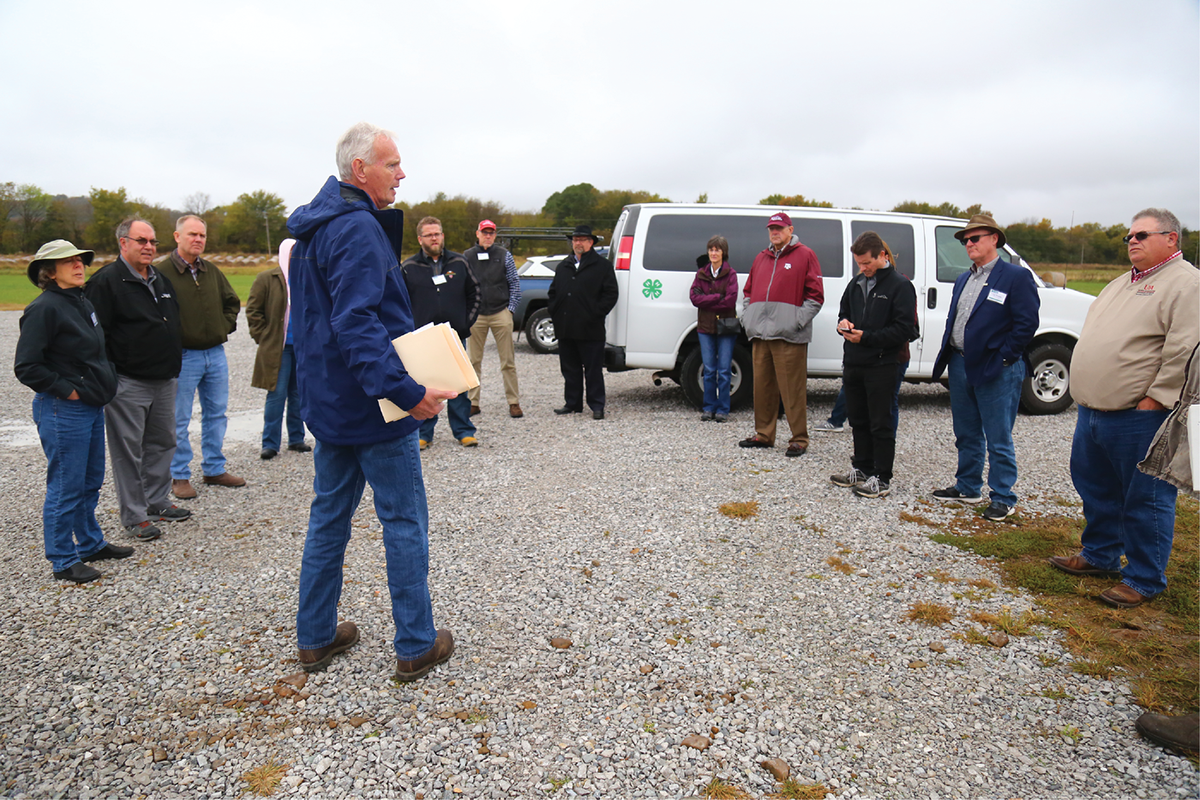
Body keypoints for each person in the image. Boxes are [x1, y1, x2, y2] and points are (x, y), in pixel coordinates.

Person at [287, 122, 456, 680]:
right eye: (392, 163)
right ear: (360, 170)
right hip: (373, 410)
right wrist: (408, 394)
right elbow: (355, 323)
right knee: (403, 519)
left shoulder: (316, 228)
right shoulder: (357, 228)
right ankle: (415, 643)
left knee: (328, 520)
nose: (402, 173)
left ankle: (314, 637)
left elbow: (319, 328)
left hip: (332, 407)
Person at [1049, 208, 1199, 609]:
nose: (1132, 241)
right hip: (1095, 412)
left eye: (1142, 235)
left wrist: (1157, 399)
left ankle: (1145, 578)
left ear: (1171, 239)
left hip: (1142, 415)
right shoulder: (1122, 283)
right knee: (1097, 489)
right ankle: (1100, 555)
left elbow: (1186, 349)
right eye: (1129, 236)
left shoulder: (1186, 283)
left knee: (1145, 499)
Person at [15, 240, 133, 583]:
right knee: (66, 485)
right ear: (49, 272)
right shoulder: (44, 308)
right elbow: (27, 367)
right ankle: (63, 559)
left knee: (90, 481)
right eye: (68, 262)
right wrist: (70, 391)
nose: (79, 265)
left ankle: (91, 543)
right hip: (63, 409)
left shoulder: (81, 301)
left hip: (92, 406)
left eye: (79, 260)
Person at [85, 218, 190, 541]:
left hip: (164, 378)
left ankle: (157, 501)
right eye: (141, 241)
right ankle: (134, 515)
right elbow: (94, 336)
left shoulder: (159, 279)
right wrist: (110, 376)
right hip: (129, 382)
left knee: (162, 443)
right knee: (128, 450)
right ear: (123, 243)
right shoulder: (106, 282)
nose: (149, 247)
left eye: (153, 242)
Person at [930, 213, 1039, 521]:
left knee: (998, 435)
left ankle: (1003, 496)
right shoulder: (964, 278)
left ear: (994, 239)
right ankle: (967, 486)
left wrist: (1006, 356)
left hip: (997, 367)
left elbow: (1027, 322)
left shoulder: (1015, 277)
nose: (968, 244)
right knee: (965, 432)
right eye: (965, 240)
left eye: (974, 238)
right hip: (961, 362)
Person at [159, 215, 244, 499]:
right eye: (192, 234)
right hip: (183, 357)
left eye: (202, 236)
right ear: (177, 236)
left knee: (216, 414)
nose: (198, 240)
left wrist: (223, 326)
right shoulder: (162, 274)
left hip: (215, 354)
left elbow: (232, 302)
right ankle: (179, 475)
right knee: (179, 418)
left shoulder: (211, 272)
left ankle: (214, 468)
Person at [829, 232, 918, 498]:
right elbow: (844, 312)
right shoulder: (856, 283)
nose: (863, 269)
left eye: (867, 263)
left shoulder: (901, 286)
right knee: (858, 418)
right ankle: (862, 468)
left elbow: (906, 330)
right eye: (859, 264)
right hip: (854, 361)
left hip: (883, 363)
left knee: (881, 421)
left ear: (882, 256)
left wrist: (867, 337)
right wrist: (844, 325)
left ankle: (882, 476)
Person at [738, 211, 824, 456]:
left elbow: (815, 296)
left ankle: (799, 438)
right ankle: (764, 435)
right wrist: (748, 320)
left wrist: (795, 322)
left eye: (779, 228)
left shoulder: (805, 255)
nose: (774, 232)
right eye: (771, 229)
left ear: (790, 229)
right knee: (762, 388)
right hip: (761, 335)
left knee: (792, 389)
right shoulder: (761, 258)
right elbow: (748, 292)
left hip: (789, 336)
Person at [401, 217, 481, 449]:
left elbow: (475, 293)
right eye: (429, 235)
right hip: (424, 339)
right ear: (420, 239)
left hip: (455, 334)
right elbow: (401, 302)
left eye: (438, 233)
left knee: (459, 385)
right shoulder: (408, 267)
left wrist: (465, 324)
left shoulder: (459, 262)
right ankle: (423, 433)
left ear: (443, 236)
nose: (434, 238)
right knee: (425, 386)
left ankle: (464, 430)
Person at [246, 238, 310, 460]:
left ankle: (296, 438)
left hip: (302, 348)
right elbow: (253, 311)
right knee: (276, 394)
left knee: (299, 394)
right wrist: (264, 338)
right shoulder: (267, 278)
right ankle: (270, 443)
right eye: (292, 252)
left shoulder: (305, 278)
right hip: (278, 349)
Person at [548, 224, 618, 420]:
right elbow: (553, 292)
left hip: (590, 328)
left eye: (582, 239)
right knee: (569, 368)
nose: (577, 243)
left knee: (593, 369)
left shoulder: (602, 266)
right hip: (566, 327)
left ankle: (597, 405)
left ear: (590, 242)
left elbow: (611, 294)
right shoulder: (564, 266)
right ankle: (572, 403)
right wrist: (555, 311)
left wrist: (595, 313)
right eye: (575, 239)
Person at [464, 220, 523, 418]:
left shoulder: (504, 256)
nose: (488, 236)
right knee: (473, 361)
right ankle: (473, 402)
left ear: (495, 235)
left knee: (508, 361)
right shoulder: (467, 256)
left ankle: (513, 402)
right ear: (477, 233)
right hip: (477, 316)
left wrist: (510, 310)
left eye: (491, 233)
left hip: (500, 312)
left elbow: (514, 282)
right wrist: (467, 312)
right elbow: (462, 285)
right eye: (484, 232)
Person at [689, 235, 739, 422]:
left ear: (723, 252)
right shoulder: (701, 274)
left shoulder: (731, 274)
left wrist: (708, 300)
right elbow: (695, 298)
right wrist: (717, 297)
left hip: (725, 327)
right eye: (711, 249)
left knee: (724, 370)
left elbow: (730, 301)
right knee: (709, 370)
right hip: (705, 327)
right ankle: (708, 407)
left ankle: (723, 409)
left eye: (717, 249)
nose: (713, 253)